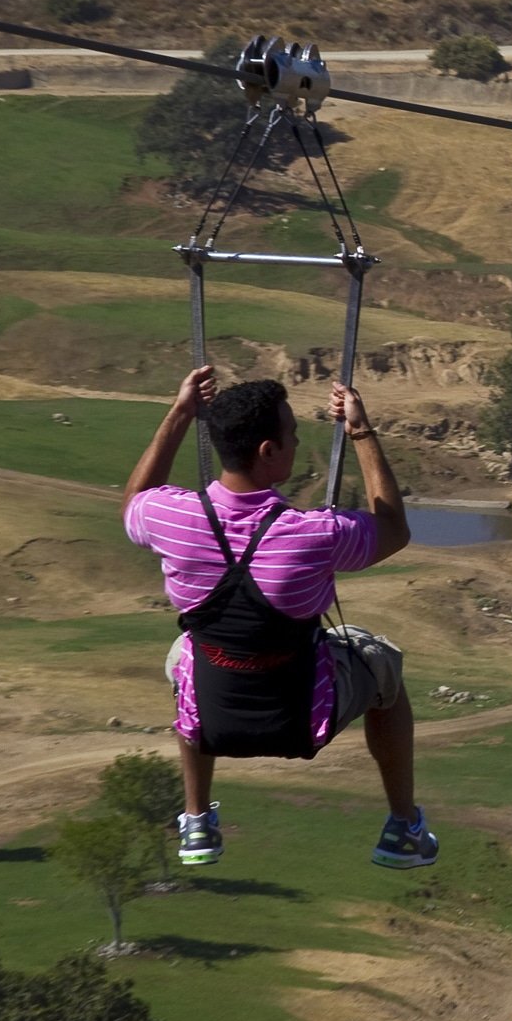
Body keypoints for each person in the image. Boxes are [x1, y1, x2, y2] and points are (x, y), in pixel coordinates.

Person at [123, 367, 436, 869]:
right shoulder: (314, 533)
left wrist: (180, 412)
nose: (295, 441)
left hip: (217, 714)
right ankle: (403, 826)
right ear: (269, 451)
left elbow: (132, 504)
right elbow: (394, 530)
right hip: (303, 716)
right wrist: (360, 431)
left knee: (189, 659)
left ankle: (197, 820)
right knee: (383, 664)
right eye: (291, 435)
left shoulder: (170, 517)